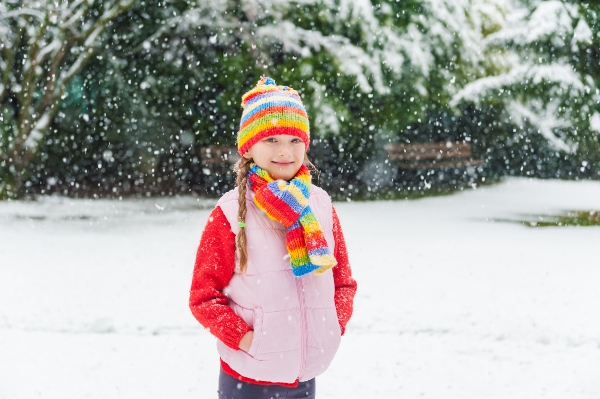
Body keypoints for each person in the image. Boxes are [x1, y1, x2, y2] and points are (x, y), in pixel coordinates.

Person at [189, 76, 357, 399]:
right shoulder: (229, 214)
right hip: (248, 379)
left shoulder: (320, 205)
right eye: (272, 140)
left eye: (295, 140)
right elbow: (203, 296)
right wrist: (247, 339)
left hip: (304, 377)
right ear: (249, 147)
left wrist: (331, 325)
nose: (285, 151)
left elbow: (343, 282)